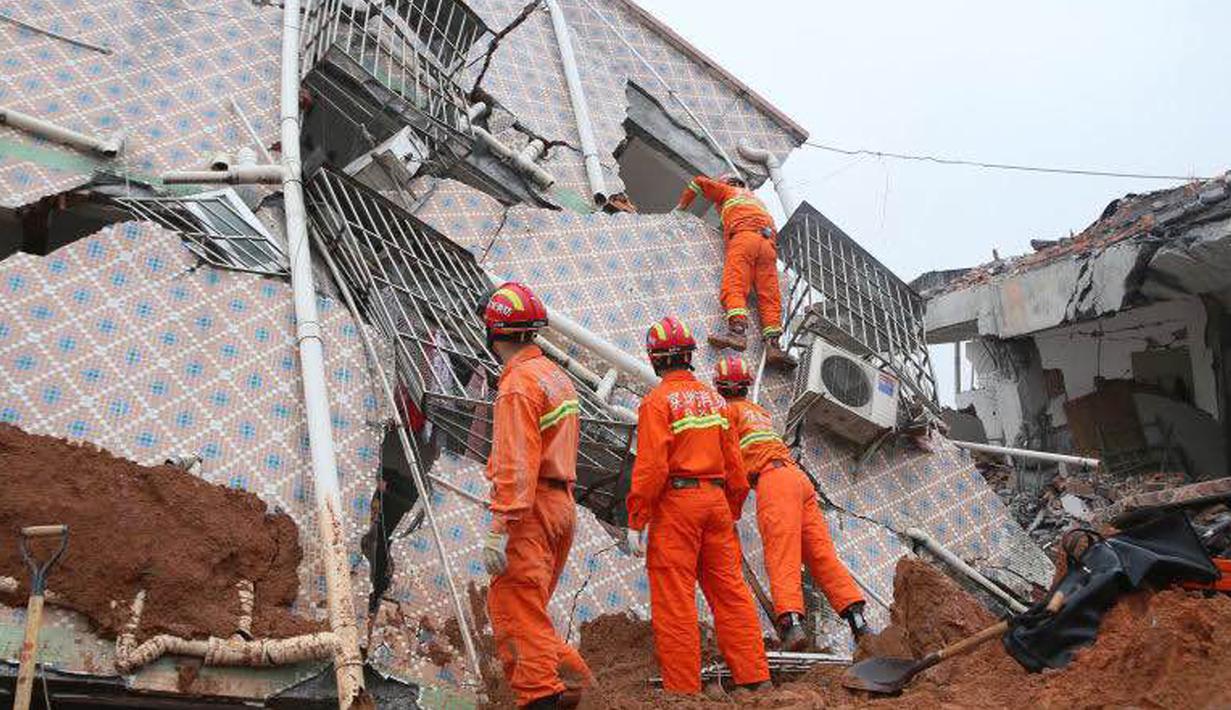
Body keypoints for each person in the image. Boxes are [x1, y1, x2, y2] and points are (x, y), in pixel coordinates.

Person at [625, 316, 771, 694]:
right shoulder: (716, 401)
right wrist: (729, 512)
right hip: (716, 503)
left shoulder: (657, 402)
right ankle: (754, 679)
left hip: (678, 504)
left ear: (655, 360)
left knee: (675, 600)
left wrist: (637, 518)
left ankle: (684, 692)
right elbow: (736, 468)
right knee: (731, 593)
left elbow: (653, 466)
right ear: (689, 356)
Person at [480, 282, 594, 709]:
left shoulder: (518, 385)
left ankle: (547, 696)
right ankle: (579, 687)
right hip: (560, 505)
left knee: (515, 614)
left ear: (493, 332)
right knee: (531, 614)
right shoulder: (554, 376)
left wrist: (500, 526)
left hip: (528, 511)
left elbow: (516, 463)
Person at [711, 354, 868, 650]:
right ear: (745, 385)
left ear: (719, 387)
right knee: (821, 556)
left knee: (781, 554)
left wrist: (729, 512)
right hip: (799, 480)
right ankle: (859, 623)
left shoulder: (726, 415)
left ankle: (792, 626)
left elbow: (734, 470)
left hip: (774, 483)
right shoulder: (759, 412)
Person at [674, 172, 795, 368]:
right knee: (769, 295)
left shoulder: (728, 191)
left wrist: (680, 208)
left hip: (745, 238)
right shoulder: (756, 201)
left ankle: (737, 333)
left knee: (735, 285)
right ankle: (774, 346)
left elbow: (699, 182)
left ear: (727, 183)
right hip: (768, 246)